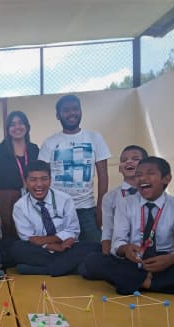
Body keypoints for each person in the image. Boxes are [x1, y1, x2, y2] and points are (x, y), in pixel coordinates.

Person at [82, 157, 174, 296]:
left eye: (150, 173)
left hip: (165, 263)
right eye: (138, 175)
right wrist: (125, 249)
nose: (142, 178)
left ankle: (137, 283)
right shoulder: (125, 203)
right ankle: (154, 284)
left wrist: (170, 259)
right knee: (92, 261)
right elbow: (117, 242)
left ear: (166, 178)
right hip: (133, 261)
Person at [38, 94, 110, 243]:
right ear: (58, 115)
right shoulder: (49, 143)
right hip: (57, 210)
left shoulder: (95, 138)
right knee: (62, 250)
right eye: (66, 110)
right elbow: (42, 178)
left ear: (81, 111)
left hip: (87, 209)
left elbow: (103, 177)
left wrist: (100, 207)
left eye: (75, 109)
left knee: (97, 250)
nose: (72, 113)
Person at [12, 161, 100, 276]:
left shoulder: (65, 199)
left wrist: (56, 243)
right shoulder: (20, 206)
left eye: (44, 179)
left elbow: (73, 231)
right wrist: (53, 246)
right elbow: (29, 239)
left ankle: (44, 270)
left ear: (50, 179)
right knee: (18, 248)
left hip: (67, 248)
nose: (39, 184)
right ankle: (70, 267)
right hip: (42, 250)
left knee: (95, 247)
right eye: (33, 180)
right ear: (25, 181)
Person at [0, 111, 40, 239]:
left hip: (30, 198)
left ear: (27, 126)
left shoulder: (34, 149)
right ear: (8, 129)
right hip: (4, 200)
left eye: (21, 123)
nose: (17, 127)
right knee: (7, 236)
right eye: (12, 124)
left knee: (30, 235)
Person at [101, 145, 148, 254]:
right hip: (121, 252)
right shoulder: (110, 197)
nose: (129, 162)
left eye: (135, 159)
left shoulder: (154, 193)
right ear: (119, 168)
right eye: (124, 160)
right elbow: (107, 231)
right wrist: (106, 256)